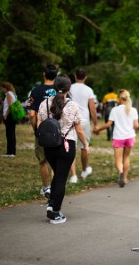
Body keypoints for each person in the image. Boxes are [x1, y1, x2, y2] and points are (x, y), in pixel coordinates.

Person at [37, 75, 90, 224]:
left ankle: (51, 204)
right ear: (69, 88)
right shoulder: (72, 106)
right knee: (61, 177)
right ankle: (55, 212)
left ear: (54, 87)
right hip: (66, 146)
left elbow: (39, 126)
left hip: (49, 146)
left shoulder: (44, 104)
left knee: (58, 175)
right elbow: (79, 130)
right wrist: (85, 144)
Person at [95, 89, 139, 187]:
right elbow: (136, 125)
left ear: (119, 98)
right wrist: (132, 130)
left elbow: (108, 124)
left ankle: (120, 172)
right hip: (130, 137)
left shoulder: (115, 110)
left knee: (118, 159)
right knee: (126, 157)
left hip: (118, 137)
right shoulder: (133, 110)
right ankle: (125, 178)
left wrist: (98, 129)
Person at [26, 65, 58, 198]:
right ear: (55, 76)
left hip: (42, 130)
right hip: (58, 130)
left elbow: (32, 114)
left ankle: (46, 188)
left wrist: (36, 130)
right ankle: (55, 187)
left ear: (44, 74)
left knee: (43, 160)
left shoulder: (36, 91)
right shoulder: (59, 90)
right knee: (55, 161)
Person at [68, 68, 98, 184]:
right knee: (84, 146)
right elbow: (92, 109)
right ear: (85, 77)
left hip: (71, 119)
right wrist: (95, 123)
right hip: (84, 121)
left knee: (72, 148)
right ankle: (85, 170)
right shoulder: (89, 90)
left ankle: (73, 176)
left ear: (75, 76)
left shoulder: (69, 88)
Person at [0, 82, 17, 157]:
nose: (1, 89)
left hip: (9, 116)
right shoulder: (12, 94)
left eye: (2, 87)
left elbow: (10, 106)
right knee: (11, 134)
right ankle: (11, 152)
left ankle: (10, 152)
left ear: (5, 88)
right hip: (12, 116)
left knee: (9, 134)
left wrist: (5, 115)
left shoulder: (8, 94)